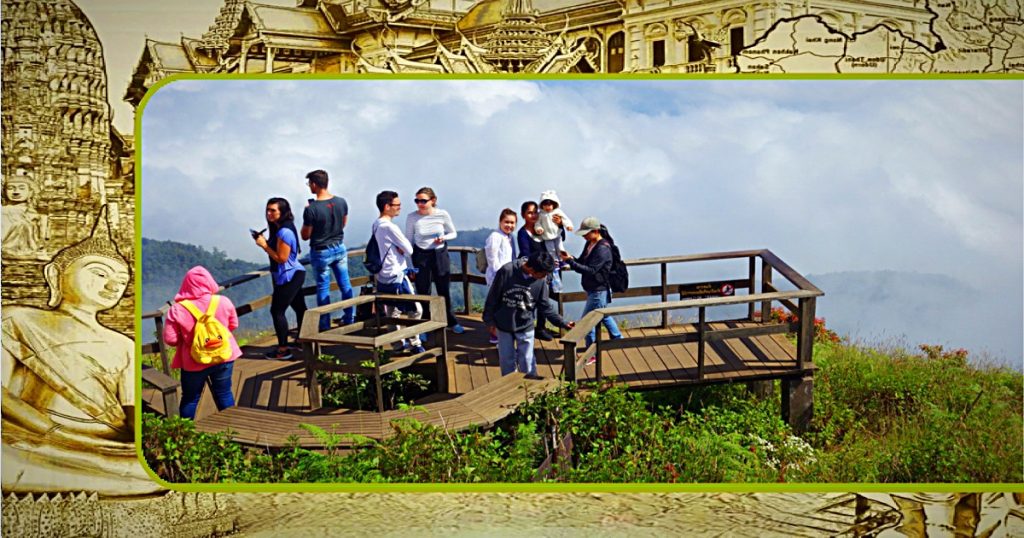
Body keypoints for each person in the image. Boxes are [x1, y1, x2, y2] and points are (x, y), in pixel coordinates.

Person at [1, 207, 162, 495]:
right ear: (55, 274)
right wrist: (49, 430)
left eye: (121, 282)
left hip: (104, 446)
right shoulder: (16, 320)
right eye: (99, 273)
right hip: (32, 437)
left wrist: (141, 445)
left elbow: (131, 411)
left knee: (144, 472)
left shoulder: (124, 345)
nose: (112, 286)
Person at [163, 266, 242, 419]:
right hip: (223, 355)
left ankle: (184, 435)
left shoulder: (177, 309)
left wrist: (189, 339)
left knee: (190, 399)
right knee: (224, 394)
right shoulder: (224, 301)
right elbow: (233, 325)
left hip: (194, 360)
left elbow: (171, 340)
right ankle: (232, 431)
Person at [483, 251, 574, 378]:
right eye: (543, 274)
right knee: (507, 361)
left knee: (527, 362)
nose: (545, 277)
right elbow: (492, 297)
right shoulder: (507, 271)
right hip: (503, 324)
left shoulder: (541, 280)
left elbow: (545, 306)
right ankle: (509, 391)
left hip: (525, 324)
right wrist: (489, 321)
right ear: (531, 269)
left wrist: (562, 323)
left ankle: (531, 389)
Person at [560, 216, 623, 362]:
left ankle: (591, 354)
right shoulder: (590, 244)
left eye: (586, 233)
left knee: (587, 322)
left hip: (599, 290)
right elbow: (582, 262)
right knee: (602, 314)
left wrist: (570, 262)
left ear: (595, 231)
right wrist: (571, 258)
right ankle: (618, 339)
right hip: (594, 289)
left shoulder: (603, 249)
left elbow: (590, 270)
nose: (584, 236)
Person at [404, 187, 464, 334]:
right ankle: (425, 325)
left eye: (423, 201)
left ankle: (451, 321)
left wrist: (444, 238)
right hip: (420, 254)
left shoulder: (442, 214)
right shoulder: (412, 217)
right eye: (417, 201)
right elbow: (408, 241)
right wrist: (409, 265)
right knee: (423, 289)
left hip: (439, 253)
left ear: (433, 201)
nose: (419, 204)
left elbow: (453, 233)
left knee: (443, 289)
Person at [254, 197, 307, 360]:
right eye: (267, 210)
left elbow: (281, 258)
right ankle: (302, 340)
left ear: (283, 212)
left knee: (277, 311)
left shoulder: (284, 231)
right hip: (294, 273)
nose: (269, 214)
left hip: (288, 275)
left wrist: (264, 246)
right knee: (299, 308)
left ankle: (283, 350)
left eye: (273, 210)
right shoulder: (281, 228)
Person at [301, 169, 354, 331]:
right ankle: (349, 318)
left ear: (314, 184)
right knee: (345, 284)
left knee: (323, 288)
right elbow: (343, 224)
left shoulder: (311, 209)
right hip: (339, 246)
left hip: (321, 251)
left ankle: (324, 324)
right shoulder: (341, 202)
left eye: (309, 183)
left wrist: (308, 214)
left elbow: (305, 235)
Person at [374, 190, 424, 354]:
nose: (399, 208)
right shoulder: (390, 227)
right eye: (397, 205)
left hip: (382, 276)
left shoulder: (376, 224)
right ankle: (415, 343)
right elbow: (409, 249)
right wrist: (399, 248)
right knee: (416, 309)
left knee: (392, 311)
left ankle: (397, 345)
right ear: (387, 206)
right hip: (397, 274)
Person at [517, 200, 557, 342]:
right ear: (523, 215)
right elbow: (525, 252)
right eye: (529, 212)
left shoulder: (541, 229)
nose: (533, 215)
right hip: (531, 271)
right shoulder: (523, 233)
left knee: (544, 300)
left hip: (544, 271)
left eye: (535, 212)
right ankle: (528, 327)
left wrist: (561, 226)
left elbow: (556, 237)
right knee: (530, 301)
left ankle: (540, 328)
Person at [484, 208, 518, 344]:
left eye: (512, 223)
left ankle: (500, 335)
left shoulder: (509, 237)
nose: (509, 225)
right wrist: (502, 278)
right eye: (506, 222)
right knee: (498, 307)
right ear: (500, 222)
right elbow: (492, 260)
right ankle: (496, 336)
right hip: (497, 278)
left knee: (503, 307)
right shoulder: (495, 236)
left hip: (507, 277)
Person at [534, 190, 574, 293]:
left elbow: (565, 219)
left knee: (560, 248)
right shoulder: (541, 215)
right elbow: (537, 223)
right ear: (542, 205)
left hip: (557, 234)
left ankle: (563, 260)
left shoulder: (558, 212)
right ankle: (556, 262)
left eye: (550, 204)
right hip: (547, 237)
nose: (548, 207)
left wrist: (568, 225)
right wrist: (538, 229)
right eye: (545, 205)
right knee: (551, 251)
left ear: (554, 204)